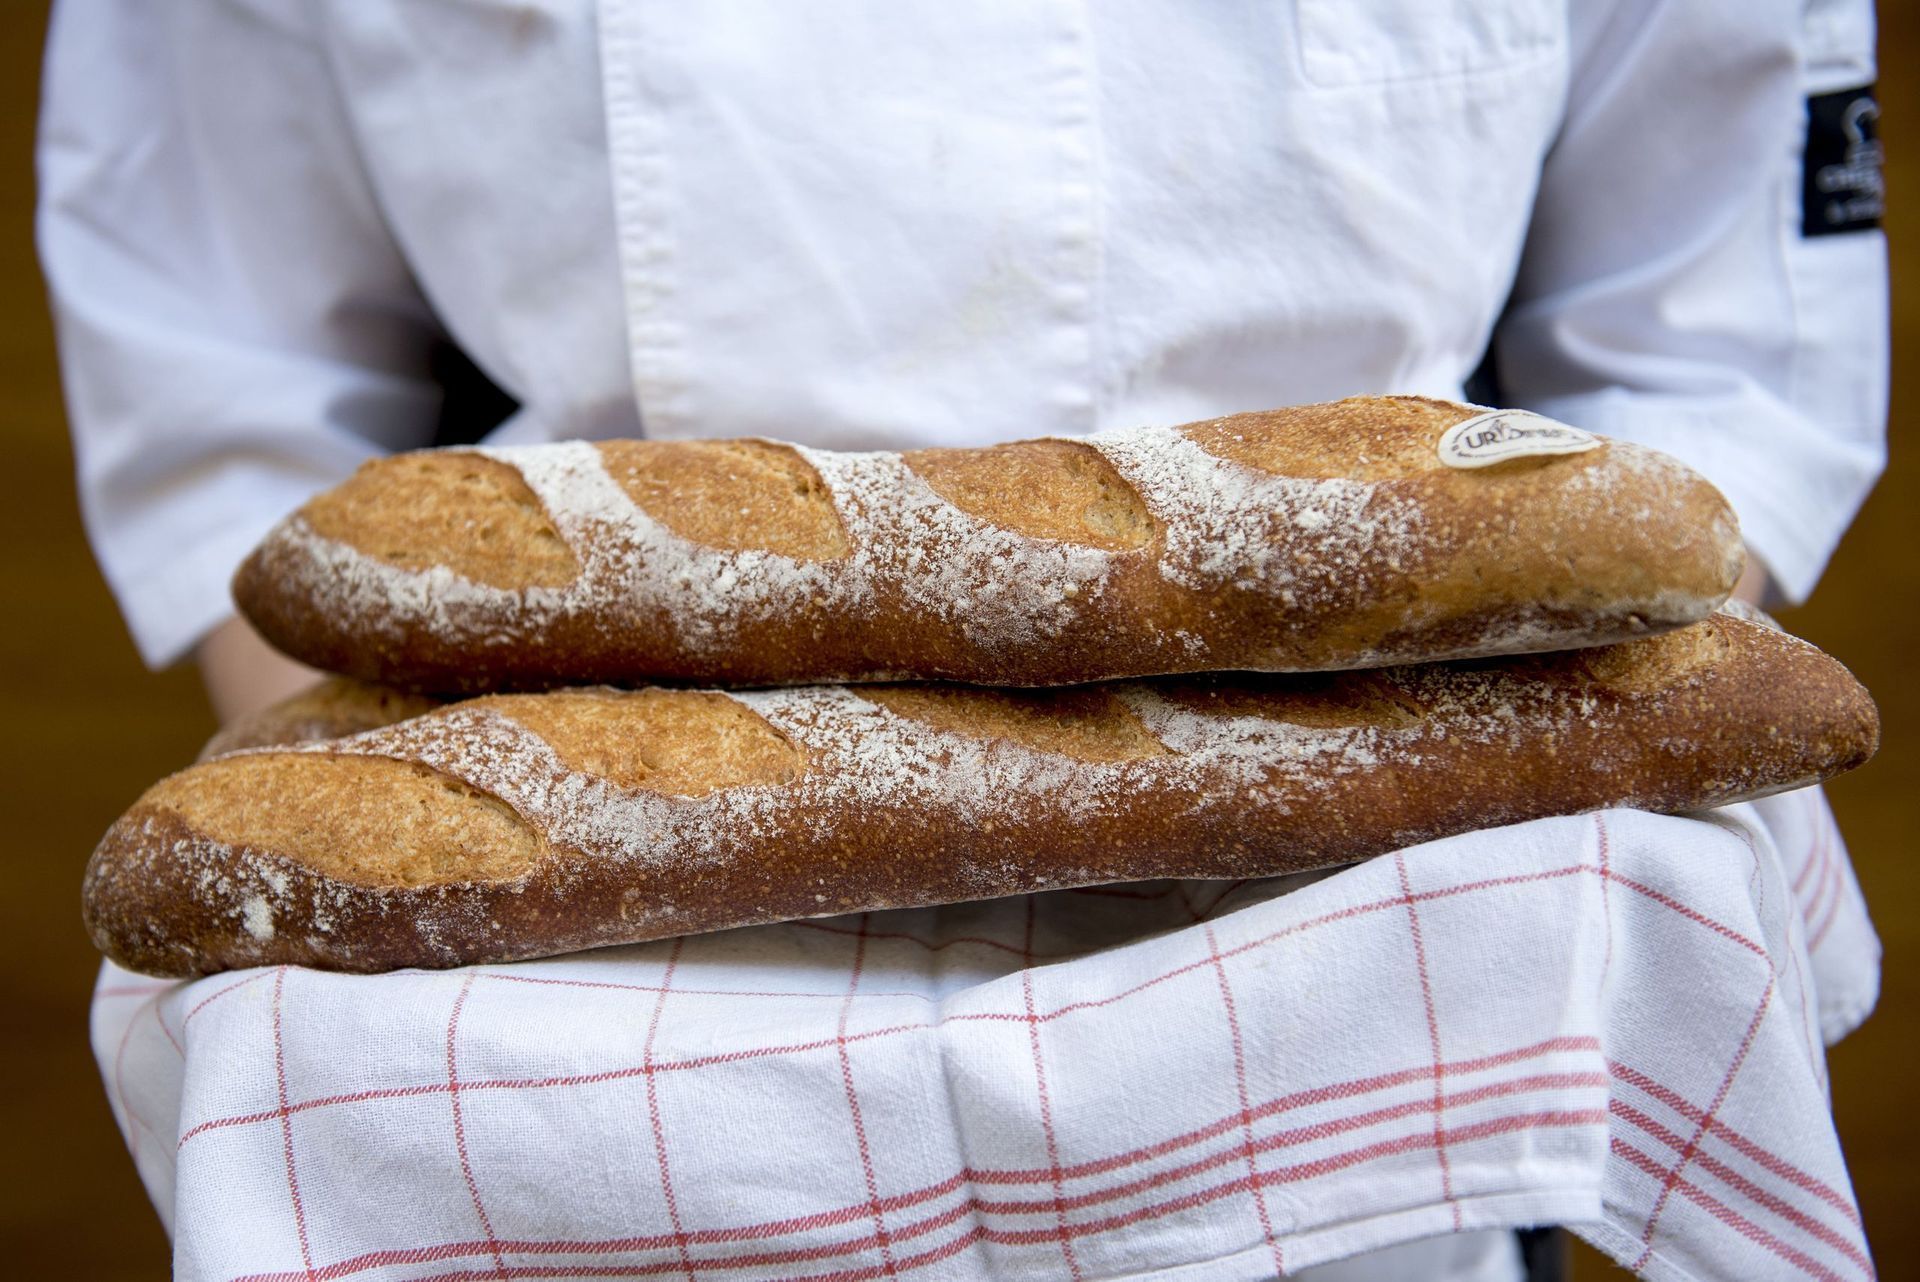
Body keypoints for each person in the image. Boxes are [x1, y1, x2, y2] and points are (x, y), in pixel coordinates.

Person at [38, 3, 1885, 1279]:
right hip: (547, 1128)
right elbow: (226, 358)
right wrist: (437, 936)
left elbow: (1710, 347)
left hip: (1382, 1104)